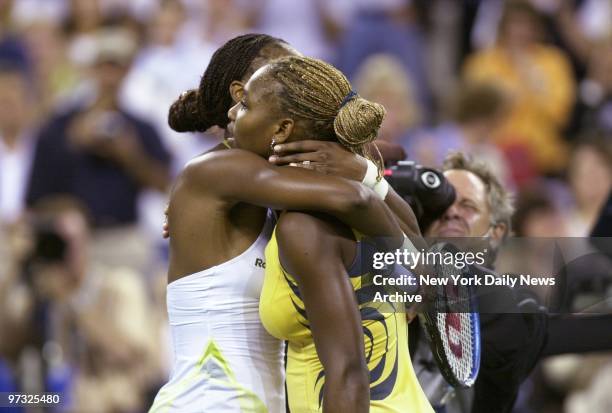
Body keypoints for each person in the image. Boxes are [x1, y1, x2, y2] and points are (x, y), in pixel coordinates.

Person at [150, 34, 417, 412]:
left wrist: (366, 172)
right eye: (281, 74)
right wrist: (416, 266)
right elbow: (356, 200)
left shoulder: (285, 190)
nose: (299, 80)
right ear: (244, 91)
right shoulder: (221, 169)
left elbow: (388, 182)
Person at [252, 55, 433, 412]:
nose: (233, 115)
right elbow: (414, 244)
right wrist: (365, 171)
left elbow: (349, 373)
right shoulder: (372, 205)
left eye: (244, 105)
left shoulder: (305, 226)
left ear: (282, 129)